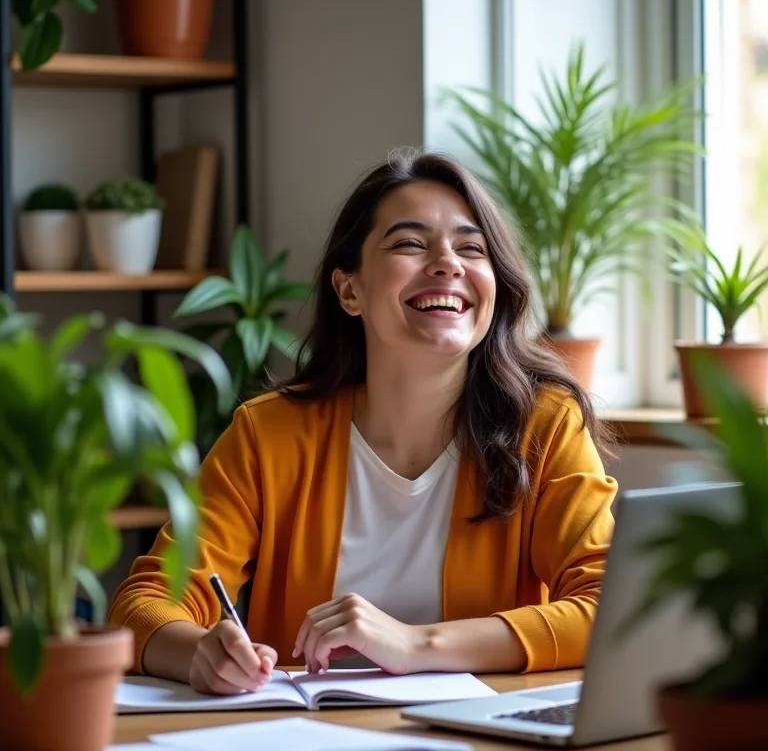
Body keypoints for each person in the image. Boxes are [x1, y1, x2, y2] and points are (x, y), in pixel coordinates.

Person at [108, 149, 618, 696]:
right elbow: (144, 603)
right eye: (409, 243)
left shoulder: (543, 428)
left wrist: (415, 645)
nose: (448, 263)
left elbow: (610, 605)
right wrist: (199, 653)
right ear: (349, 289)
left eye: (472, 248)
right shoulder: (269, 434)